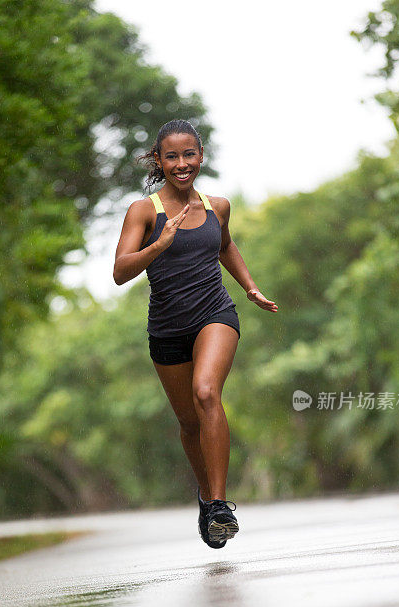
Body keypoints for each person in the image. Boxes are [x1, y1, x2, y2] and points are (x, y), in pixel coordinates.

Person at [114, 119, 278, 548]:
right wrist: (157, 245)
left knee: (207, 393)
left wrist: (250, 287)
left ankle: (221, 505)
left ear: (200, 157)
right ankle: (206, 500)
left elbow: (225, 245)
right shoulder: (145, 211)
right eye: (172, 156)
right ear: (159, 160)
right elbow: (119, 272)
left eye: (189, 154)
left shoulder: (217, 205)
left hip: (215, 313)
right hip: (167, 327)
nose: (182, 164)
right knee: (188, 422)